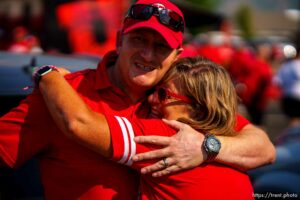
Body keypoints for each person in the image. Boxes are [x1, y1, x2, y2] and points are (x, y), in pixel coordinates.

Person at [0, 0, 275, 199]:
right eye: (139, 40)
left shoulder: (183, 104)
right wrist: (49, 78)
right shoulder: (60, 97)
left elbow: (263, 147)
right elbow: (78, 122)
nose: (147, 54)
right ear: (119, 41)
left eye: (160, 47)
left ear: (177, 56)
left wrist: (206, 146)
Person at [38, 56, 255, 200]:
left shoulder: (167, 137)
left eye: (164, 95)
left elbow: (79, 123)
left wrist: (48, 75)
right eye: (154, 89)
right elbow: (265, 148)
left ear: (197, 110)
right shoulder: (233, 144)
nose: (151, 99)